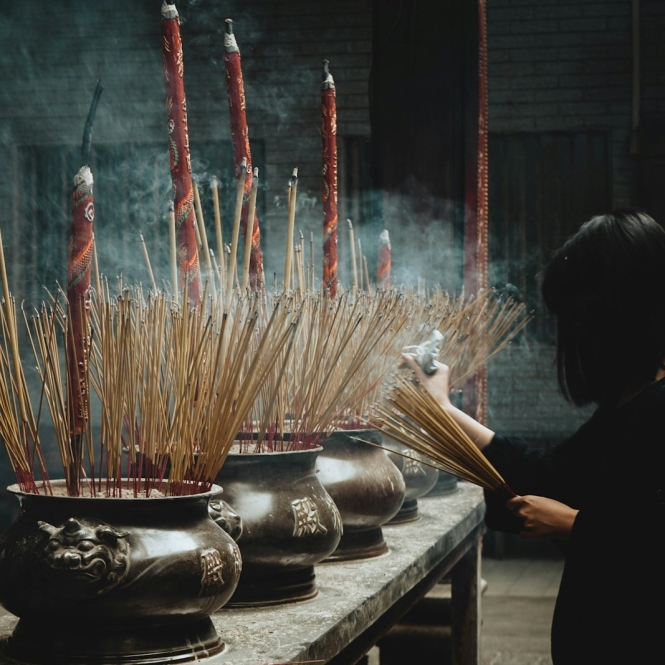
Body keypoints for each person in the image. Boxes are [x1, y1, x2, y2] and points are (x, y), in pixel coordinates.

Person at [403, 209, 665, 664]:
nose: (570, 341)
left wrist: (574, 525)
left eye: (576, 323)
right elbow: (550, 478)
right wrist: (444, 411)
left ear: (617, 319)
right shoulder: (628, 402)